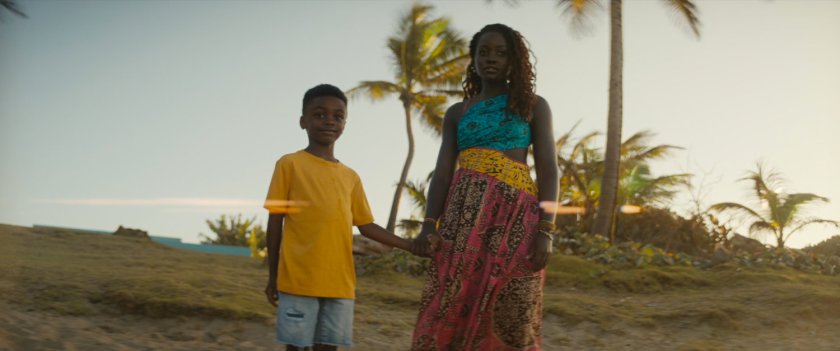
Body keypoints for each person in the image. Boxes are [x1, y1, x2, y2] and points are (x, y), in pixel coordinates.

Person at [410, 24, 559, 350]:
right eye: (484, 52)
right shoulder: (457, 113)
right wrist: (429, 224)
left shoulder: (534, 106)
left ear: (513, 60)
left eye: (501, 53)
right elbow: (443, 173)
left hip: (517, 219)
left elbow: (549, 170)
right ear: (473, 59)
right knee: (453, 299)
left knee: (514, 309)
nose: (491, 58)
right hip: (462, 219)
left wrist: (546, 229)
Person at [263, 84, 412, 351]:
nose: (330, 121)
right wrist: (273, 275)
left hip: (340, 285)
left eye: (338, 116)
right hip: (298, 281)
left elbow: (366, 225)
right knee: (295, 346)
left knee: (328, 347)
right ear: (303, 121)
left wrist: (410, 245)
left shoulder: (350, 177)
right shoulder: (289, 164)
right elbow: (275, 223)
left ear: (345, 124)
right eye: (320, 114)